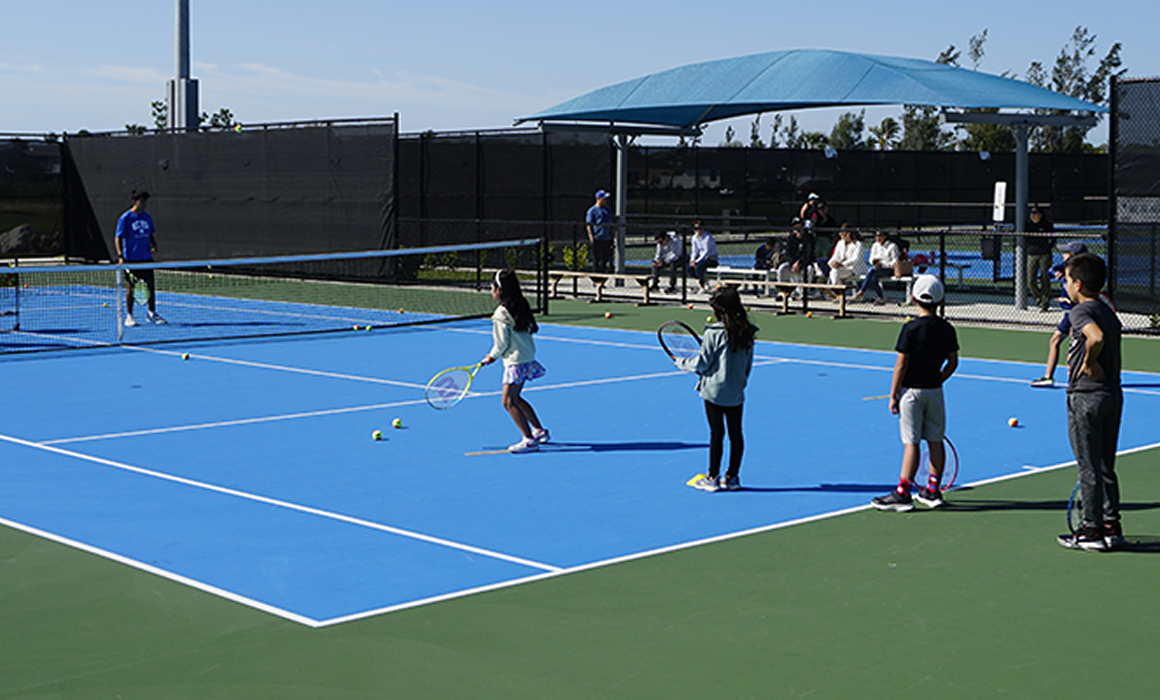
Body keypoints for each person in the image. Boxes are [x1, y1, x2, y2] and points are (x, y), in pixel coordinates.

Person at [872, 275, 959, 512]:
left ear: (913, 299)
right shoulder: (947, 329)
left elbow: (901, 365)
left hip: (911, 394)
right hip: (935, 393)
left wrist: (893, 395)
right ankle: (933, 490)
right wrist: (937, 379)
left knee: (911, 443)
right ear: (941, 300)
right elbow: (952, 363)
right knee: (935, 440)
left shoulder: (910, 328)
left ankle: (903, 494)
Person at [1056, 252, 1124, 551]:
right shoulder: (1108, 311)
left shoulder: (1080, 312)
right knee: (1106, 465)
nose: (1065, 285)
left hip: (1085, 395)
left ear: (1079, 285)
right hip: (1111, 394)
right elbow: (1114, 351)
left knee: (1088, 466)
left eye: (1068, 280)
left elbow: (1095, 338)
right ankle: (1111, 526)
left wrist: (1088, 362)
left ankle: (1091, 530)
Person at [675, 286, 757, 492]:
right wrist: (739, 382)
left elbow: (702, 364)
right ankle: (732, 477)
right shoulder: (747, 332)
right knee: (736, 434)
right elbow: (748, 365)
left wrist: (682, 363)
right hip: (736, 391)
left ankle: (712, 477)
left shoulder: (713, 333)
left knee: (716, 433)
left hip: (714, 392)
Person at [480, 269, 549, 453]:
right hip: (527, 358)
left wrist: (491, 356)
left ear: (499, 290)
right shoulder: (521, 305)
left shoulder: (501, 313)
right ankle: (539, 431)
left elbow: (501, 344)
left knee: (508, 402)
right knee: (516, 398)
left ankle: (529, 439)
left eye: (492, 288)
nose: (491, 291)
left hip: (515, 362)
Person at [1031, 241, 1087, 388]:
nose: (1063, 255)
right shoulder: (1066, 268)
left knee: (1075, 348)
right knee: (1056, 341)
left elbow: (1083, 296)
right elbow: (1050, 271)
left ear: (1074, 256)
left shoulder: (1082, 275)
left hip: (1076, 314)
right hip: (1069, 313)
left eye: (1066, 253)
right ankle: (1049, 377)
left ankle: (1076, 380)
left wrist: (1070, 300)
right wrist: (1057, 273)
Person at [114, 189, 165, 326]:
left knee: (150, 286)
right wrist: (120, 256)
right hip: (131, 259)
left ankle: (151, 314)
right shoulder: (125, 218)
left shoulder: (147, 217)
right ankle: (129, 316)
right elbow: (118, 237)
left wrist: (154, 244)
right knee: (131, 288)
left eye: (145, 201)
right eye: (142, 201)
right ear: (134, 202)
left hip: (146, 258)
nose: (144, 204)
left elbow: (150, 234)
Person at [853, 230, 901, 305]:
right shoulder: (875, 245)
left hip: (889, 269)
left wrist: (882, 264)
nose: (878, 237)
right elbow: (871, 258)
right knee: (873, 277)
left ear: (885, 236)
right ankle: (881, 297)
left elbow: (895, 261)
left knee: (871, 272)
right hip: (876, 269)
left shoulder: (892, 246)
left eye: (880, 235)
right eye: (876, 235)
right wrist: (874, 261)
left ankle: (861, 292)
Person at [1026, 205, 1056, 312]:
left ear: (1041, 215)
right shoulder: (1028, 225)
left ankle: (1045, 303)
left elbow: (1053, 238)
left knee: (1045, 278)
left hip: (1044, 254)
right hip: (1032, 254)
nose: (1032, 215)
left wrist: (1048, 247)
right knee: (1031, 280)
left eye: (1035, 213)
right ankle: (1038, 300)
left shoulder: (1046, 225)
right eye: (1031, 213)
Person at [824, 226, 866, 297]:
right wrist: (831, 263)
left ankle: (836, 291)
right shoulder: (840, 243)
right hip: (843, 268)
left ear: (848, 233)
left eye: (842, 232)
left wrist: (842, 264)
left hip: (854, 268)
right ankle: (835, 288)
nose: (839, 234)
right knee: (834, 269)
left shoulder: (858, 244)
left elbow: (856, 259)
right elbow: (835, 256)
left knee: (836, 269)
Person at [776, 223, 815, 300]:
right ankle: (783, 292)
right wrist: (793, 263)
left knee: (810, 269)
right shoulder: (791, 238)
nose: (798, 231)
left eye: (800, 228)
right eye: (796, 229)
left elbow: (809, 255)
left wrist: (799, 263)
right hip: (792, 264)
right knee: (782, 268)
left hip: (804, 264)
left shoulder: (808, 238)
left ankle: (803, 292)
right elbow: (788, 254)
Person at [585, 190, 614, 273]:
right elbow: (589, 225)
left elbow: (611, 223)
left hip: (607, 238)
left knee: (605, 259)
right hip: (597, 238)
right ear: (598, 199)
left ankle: (603, 276)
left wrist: (612, 235)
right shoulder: (592, 211)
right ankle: (596, 277)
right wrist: (591, 237)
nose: (605, 200)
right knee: (597, 260)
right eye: (603, 198)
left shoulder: (608, 210)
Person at [687, 220, 718, 292]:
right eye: (696, 229)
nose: (698, 231)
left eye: (699, 228)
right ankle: (703, 280)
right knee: (688, 267)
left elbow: (706, 252)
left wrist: (696, 261)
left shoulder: (708, 237)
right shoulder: (694, 238)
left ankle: (702, 285)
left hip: (711, 258)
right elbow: (694, 251)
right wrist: (692, 260)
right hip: (701, 258)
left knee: (698, 267)